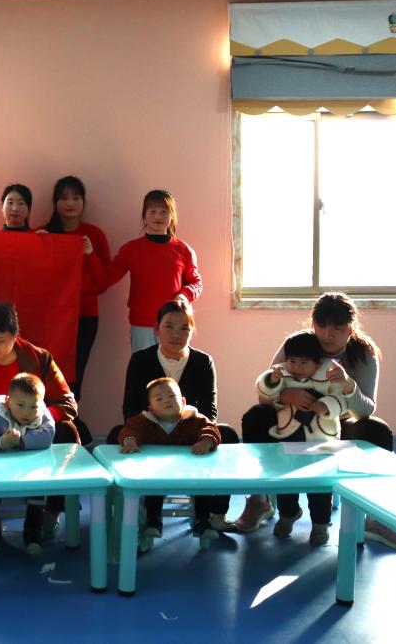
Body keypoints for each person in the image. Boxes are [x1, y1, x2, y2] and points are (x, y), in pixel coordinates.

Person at [237, 292, 396, 548]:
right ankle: (259, 499)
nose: (328, 334)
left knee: (377, 430)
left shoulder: (363, 352)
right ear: (313, 324)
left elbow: (366, 410)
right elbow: (265, 392)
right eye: (322, 326)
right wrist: (286, 396)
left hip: (337, 422)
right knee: (255, 416)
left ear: (350, 328)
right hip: (291, 420)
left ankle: (376, 517)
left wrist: (348, 386)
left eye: (337, 328)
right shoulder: (296, 343)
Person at [0, 299, 85, 538]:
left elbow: (67, 403)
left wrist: (35, 418)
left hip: (33, 426)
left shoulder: (39, 358)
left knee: (67, 430)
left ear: (14, 336)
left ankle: (53, 510)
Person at [109, 300, 239, 532]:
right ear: (156, 329)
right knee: (115, 435)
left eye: (184, 328)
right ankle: (139, 512)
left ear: (192, 331)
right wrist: (155, 427)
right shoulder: (140, 360)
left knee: (227, 434)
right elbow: (130, 408)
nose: (176, 334)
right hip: (151, 430)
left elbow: (209, 411)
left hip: (189, 433)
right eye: (169, 326)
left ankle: (215, 513)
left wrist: (200, 435)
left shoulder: (202, 362)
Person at [255, 332, 349, 546]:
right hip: (289, 435)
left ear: (317, 362)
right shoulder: (282, 374)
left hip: (321, 440)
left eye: (304, 362)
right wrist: (275, 385)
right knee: (286, 479)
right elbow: (263, 390)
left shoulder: (329, 375)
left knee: (320, 485)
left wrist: (326, 406)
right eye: (292, 361)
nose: (296, 367)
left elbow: (342, 400)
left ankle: (320, 525)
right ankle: (287, 515)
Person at [117, 378, 223, 545]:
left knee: (204, 487)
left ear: (183, 401)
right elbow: (130, 429)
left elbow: (211, 428)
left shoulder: (195, 419)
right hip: (158, 472)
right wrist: (130, 440)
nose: (166, 400)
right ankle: (153, 519)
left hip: (191, 471)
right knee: (153, 485)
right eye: (159, 398)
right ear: (151, 408)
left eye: (172, 396)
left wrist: (206, 441)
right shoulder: (144, 421)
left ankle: (202, 521)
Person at [39, 175, 112, 400]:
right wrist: (35, 246)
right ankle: (45, 417)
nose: (70, 203)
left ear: (83, 202)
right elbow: (27, 278)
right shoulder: (43, 233)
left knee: (75, 375)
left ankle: (69, 415)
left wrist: (89, 255)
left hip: (85, 315)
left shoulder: (94, 234)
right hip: (50, 316)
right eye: (63, 198)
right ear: (55, 202)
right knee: (45, 372)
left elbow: (104, 282)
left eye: (76, 198)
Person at [107, 189, 202, 353]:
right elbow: (106, 277)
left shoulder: (184, 250)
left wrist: (184, 295)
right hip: (142, 325)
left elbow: (196, 283)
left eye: (164, 212)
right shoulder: (131, 250)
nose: (158, 216)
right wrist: (89, 255)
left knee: (174, 367)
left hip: (176, 324)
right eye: (152, 211)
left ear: (172, 216)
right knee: (144, 368)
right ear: (144, 216)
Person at [0, 373, 55, 555]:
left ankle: (33, 532)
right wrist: (0, 442)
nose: (27, 412)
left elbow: (48, 433)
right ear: (8, 401)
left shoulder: (43, 415)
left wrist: (22, 441)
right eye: (20, 405)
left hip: (32, 469)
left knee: (38, 492)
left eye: (33, 406)